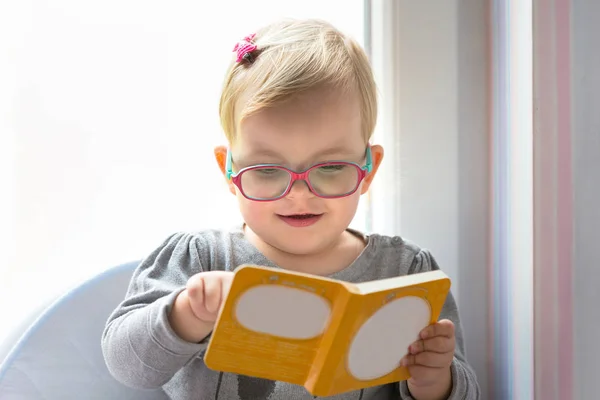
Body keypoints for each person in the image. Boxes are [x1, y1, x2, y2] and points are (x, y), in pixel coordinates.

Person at [101, 18, 480, 400]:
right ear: (229, 171)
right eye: (266, 170)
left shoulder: (406, 273)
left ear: (368, 170)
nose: (299, 194)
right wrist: (187, 314)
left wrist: (434, 381)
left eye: (331, 168)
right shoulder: (202, 259)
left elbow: (466, 392)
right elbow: (126, 365)